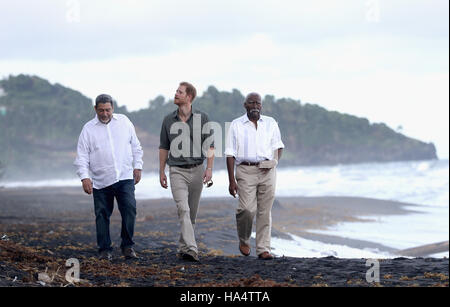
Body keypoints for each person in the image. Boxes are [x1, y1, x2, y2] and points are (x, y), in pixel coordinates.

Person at [74, 94, 143, 261]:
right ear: (95, 109)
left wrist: (138, 166)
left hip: (125, 176)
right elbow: (82, 156)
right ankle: (104, 249)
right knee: (102, 214)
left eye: (108, 110)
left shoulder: (124, 122)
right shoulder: (88, 129)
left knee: (129, 209)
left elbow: (136, 146)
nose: (105, 113)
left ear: (113, 108)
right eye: (101, 110)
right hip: (100, 180)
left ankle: (127, 247)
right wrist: (85, 177)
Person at [159, 82, 215, 262]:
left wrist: (209, 168)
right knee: (183, 209)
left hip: (198, 170)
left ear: (189, 97)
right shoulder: (168, 120)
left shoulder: (203, 117)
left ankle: (183, 246)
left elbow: (210, 146)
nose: (175, 94)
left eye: (179, 92)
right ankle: (192, 248)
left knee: (191, 214)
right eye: (176, 91)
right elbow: (163, 147)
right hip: (176, 171)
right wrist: (161, 171)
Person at [225, 92, 284, 260]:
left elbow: (278, 146)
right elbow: (230, 154)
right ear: (245, 105)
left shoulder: (271, 123)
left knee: (265, 212)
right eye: (252, 103)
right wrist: (231, 180)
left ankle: (263, 249)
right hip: (245, 171)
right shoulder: (236, 125)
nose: (255, 106)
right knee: (246, 209)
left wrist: (274, 162)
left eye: (258, 103)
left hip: (268, 171)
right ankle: (244, 239)